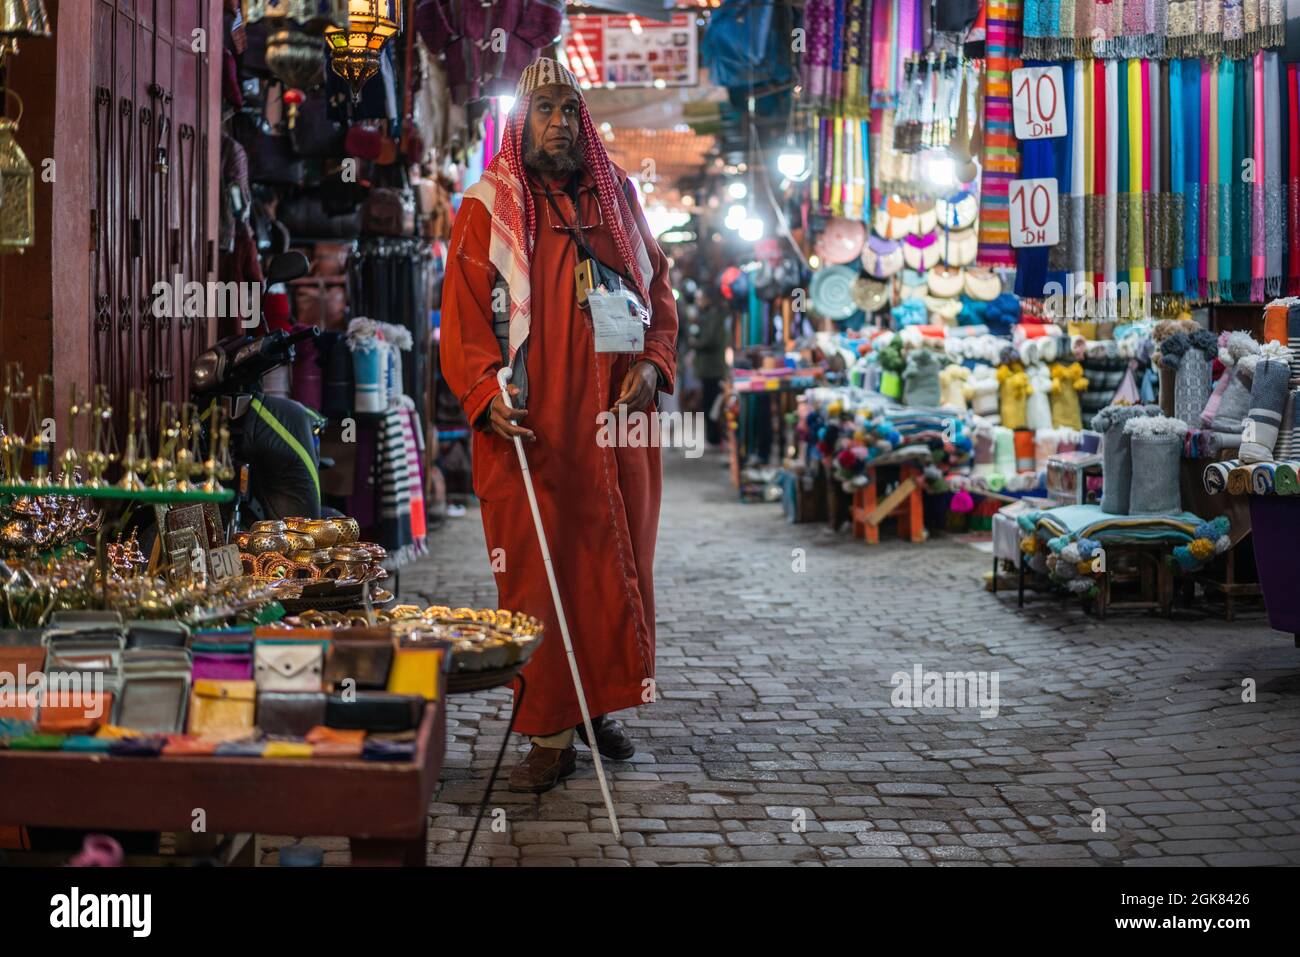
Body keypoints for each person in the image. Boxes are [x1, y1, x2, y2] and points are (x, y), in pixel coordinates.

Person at [440, 59, 678, 793]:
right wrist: (485, 391)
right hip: (532, 431)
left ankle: (599, 705)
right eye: (545, 109)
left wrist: (654, 364)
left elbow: (659, 288)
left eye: (570, 111)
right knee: (539, 579)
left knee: (618, 567)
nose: (559, 123)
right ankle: (547, 730)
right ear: (522, 121)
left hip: (617, 426)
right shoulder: (489, 206)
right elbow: (464, 319)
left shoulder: (618, 200)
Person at [689, 288, 729, 448]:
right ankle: (713, 436)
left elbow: (709, 340)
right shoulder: (707, 316)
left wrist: (695, 343)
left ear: (707, 299)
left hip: (713, 368)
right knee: (709, 402)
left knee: (713, 403)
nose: (698, 302)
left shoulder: (714, 316)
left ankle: (715, 437)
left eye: (700, 299)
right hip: (709, 368)